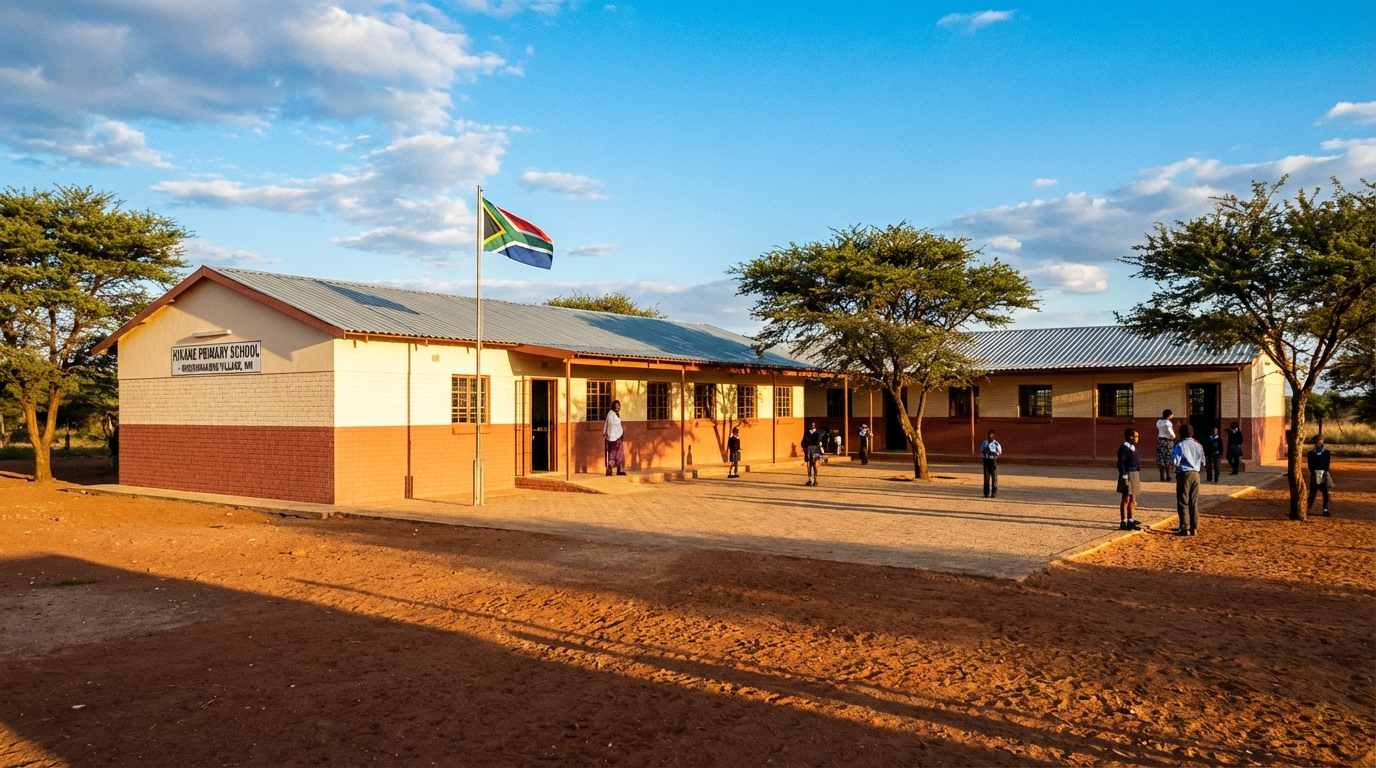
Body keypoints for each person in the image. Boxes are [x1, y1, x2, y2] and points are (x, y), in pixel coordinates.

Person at [1172, 424, 1205, 536]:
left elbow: (1176, 461)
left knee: (1182, 501)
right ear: (1192, 433)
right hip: (1196, 474)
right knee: (1194, 502)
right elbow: (1203, 462)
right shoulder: (1198, 445)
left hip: (1184, 474)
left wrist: (1175, 468)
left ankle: (1184, 527)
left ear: (1180, 433)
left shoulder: (1180, 445)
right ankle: (1194, 528)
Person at [1117, 428, 1142, 530]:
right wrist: (1124, 476)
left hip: (1134, 473)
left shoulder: (1132, 447)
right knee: (1126, 498)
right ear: (1130, 437)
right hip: (1128, 473)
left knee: (1133, 498)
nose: (1137, 439)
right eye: (1136, 436)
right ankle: (1124, 521)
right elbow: (1120, 463)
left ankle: (1131, 520)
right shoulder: (1124, 448)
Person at [1306, 436, 1333, 516]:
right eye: (1318, 440)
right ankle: (1306, 509)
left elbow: (1327, 465)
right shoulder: (1311, 453)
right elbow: (1310, 466)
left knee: (1326, 493)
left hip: (1323, 474)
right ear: (1314, 441)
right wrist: (1315, 471)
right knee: (1312, 493)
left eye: (1321, 440)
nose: (1319, 442)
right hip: (1314, 474)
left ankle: (1325, 510)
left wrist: (1323, 471)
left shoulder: (1326, 452)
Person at [602, 399, 626, 476]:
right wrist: (607, 434)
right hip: (612, 438)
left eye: (618, 405)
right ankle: (609, 470)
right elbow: (610, 425)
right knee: (611, 454)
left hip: (618, 437)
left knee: (620, 454)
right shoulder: (611, 414)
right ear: (613, 407)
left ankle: (620, 470)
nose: (617, 407)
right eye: (616, 406)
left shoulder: (616, 414)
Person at [979, 429, 1001, 498]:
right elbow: (981, 451)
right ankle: (986, 492)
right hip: (986, 460)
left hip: (992, 461)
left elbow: (999, 452)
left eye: (992, 434)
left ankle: (994, 492)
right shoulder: (985, 442)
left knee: (994, 477)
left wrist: (994, 453)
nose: (991, 436)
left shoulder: (996, 443)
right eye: (990, 434)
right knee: (986, 477)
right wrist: (985, 452)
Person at [1156, 409, 1177, 482]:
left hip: (1160, 440)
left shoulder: (1159, 422)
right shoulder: (1168, 423)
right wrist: (1174, 436)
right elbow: (1170, 431)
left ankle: (1161, 475)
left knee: (1161, 458)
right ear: (1169, 415)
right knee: (1167, 458)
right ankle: (1168, 475)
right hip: (1167, 441)